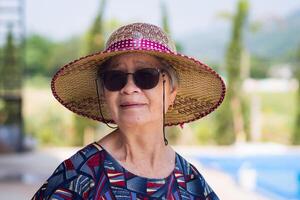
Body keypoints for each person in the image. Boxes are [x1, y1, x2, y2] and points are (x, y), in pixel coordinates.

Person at [32, 22, 226, 200]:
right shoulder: (79, 175)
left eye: (146, 76)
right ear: (104, 93)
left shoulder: (191, 181)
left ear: (172, 92)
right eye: (115, 78)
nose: (129, 88)